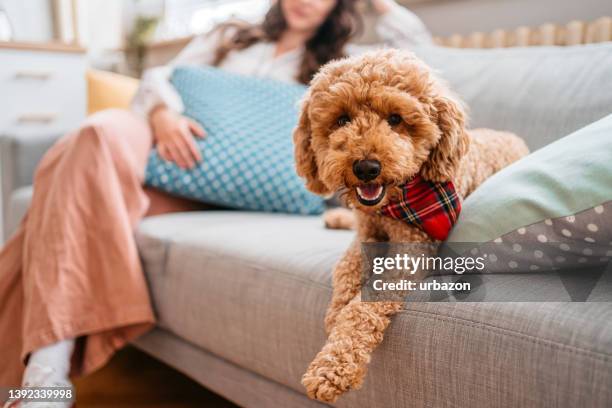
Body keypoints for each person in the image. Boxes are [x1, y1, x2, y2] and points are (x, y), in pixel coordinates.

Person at [0, 0, 431, 403]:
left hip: (245, 192)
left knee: (66, 195)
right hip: (173, 162)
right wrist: (163, 115)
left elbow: (418, 55)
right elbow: (160, 77)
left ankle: (44, 376)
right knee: (95, 135)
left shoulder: (337, 64)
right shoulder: (230, 35)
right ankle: (45, 374)